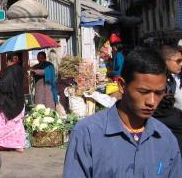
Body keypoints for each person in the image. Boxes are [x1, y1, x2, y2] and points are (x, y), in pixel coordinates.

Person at [63, 48, 182, 178]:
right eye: (143, 92)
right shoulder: (87, 133)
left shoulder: (166, 138)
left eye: (159, 93)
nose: (151, 102)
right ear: (122, 85)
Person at [0, 53, 25, 152]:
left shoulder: (10, 70)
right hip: (19, 100)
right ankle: (18, 145)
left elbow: (4, 86)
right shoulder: (20, 69)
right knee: (17, 124)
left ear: (9, 61)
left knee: (0, 120)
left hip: (9, 101)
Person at [161, 46, 182, 110]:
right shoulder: (158, 81)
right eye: (178, 61)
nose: (181, 64)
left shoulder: (172, 79)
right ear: (166, 61)